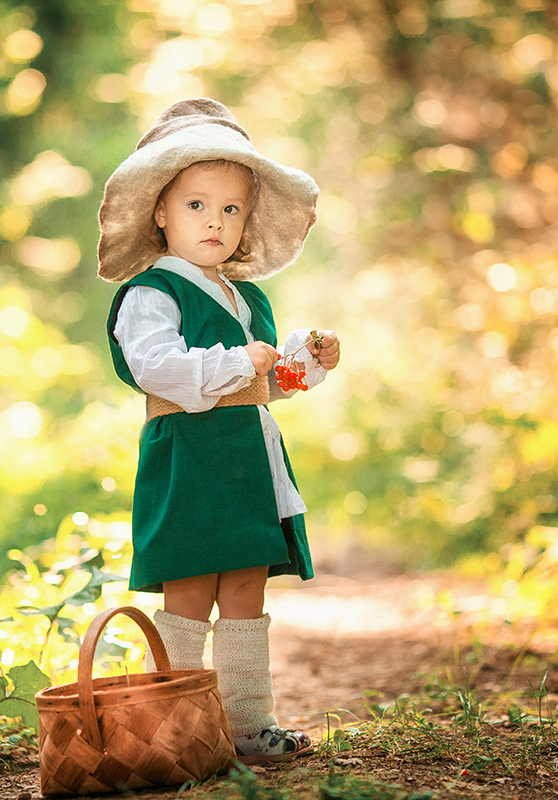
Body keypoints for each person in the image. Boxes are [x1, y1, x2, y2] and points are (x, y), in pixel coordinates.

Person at [98, 97, 341, 764]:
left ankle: (245, 722)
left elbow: (268, 384)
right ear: (161, 212)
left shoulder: (246, 298)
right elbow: (160, 369)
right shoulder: (152, 294)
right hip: (190, 458)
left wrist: (304, 364)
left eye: (231, 209)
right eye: (197, 205)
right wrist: (237, 361)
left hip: (245, 459)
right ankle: (178, 724)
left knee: (243, 585)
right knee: (191, 583)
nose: (215, 221)